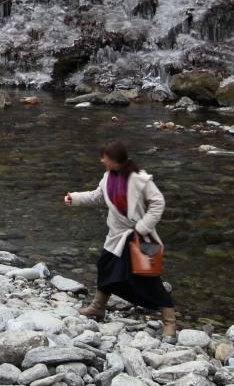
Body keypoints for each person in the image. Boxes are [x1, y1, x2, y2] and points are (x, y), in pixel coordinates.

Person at [63, 141, 177, 339]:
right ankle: (98, 307)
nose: (102, 160)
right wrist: (75, 198)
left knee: (149, 278)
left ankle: (170, 322)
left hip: (141, 237)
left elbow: (158, 203)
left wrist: (141, 228)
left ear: (115, 160)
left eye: (105, 157)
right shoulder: (108, 177)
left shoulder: (140, 179)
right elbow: (97, 197)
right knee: (105, 266)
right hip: (117, 236)